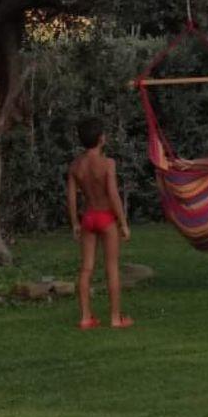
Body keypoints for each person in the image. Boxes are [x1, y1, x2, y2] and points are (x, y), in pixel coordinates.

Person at [66, 117, 132, 329]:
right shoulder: (107, 164)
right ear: (101, 138)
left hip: (88, 218)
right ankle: (115, 318)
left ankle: (86, 317)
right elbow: (113, 194)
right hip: (106, 218)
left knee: (86, 269)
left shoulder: (75, 166)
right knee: (111, 268)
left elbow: (71, 198)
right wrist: (123, 223)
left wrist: (75, 223)